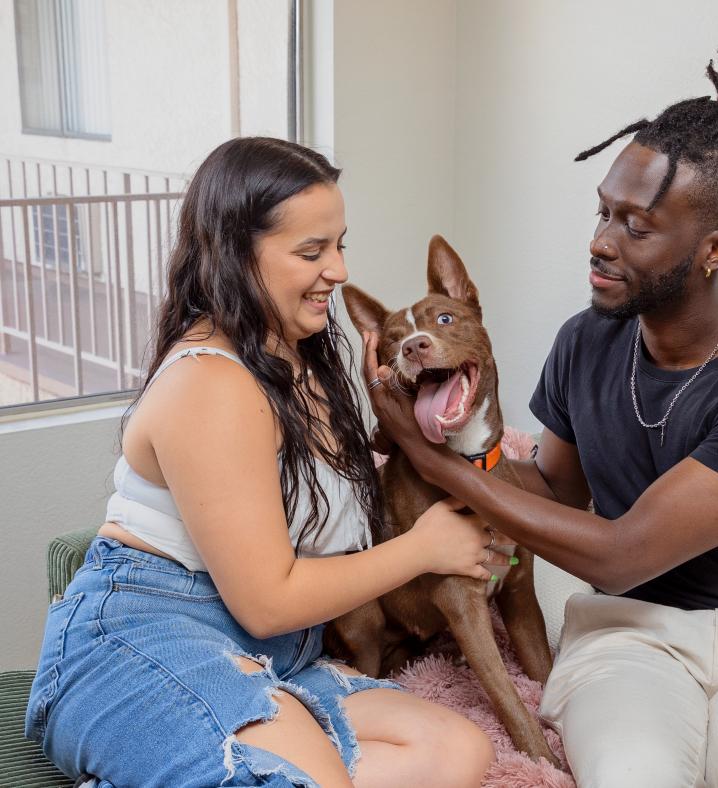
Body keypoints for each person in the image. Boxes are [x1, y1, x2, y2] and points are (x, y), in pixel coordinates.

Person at [364, 39, 718, 787]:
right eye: (604, 210)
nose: (600, 243)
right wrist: (461, 436)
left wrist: (430, 457)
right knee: (632, 773)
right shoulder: (587, 339)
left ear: (717, 248)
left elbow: (622, 551)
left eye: (635, 227)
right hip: (628, 637)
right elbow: (555, 492)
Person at [25, 137, 503, 788]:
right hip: (147, 640)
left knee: (458, 751)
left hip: (268, 654)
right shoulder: (211, 386)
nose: (336, 270)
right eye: (312, 251)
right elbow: (269, 603)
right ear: (235, 256)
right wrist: (425, 549)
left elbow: (323, 504)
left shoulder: (298, 354)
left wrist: (393, 411)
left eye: (340, 244)